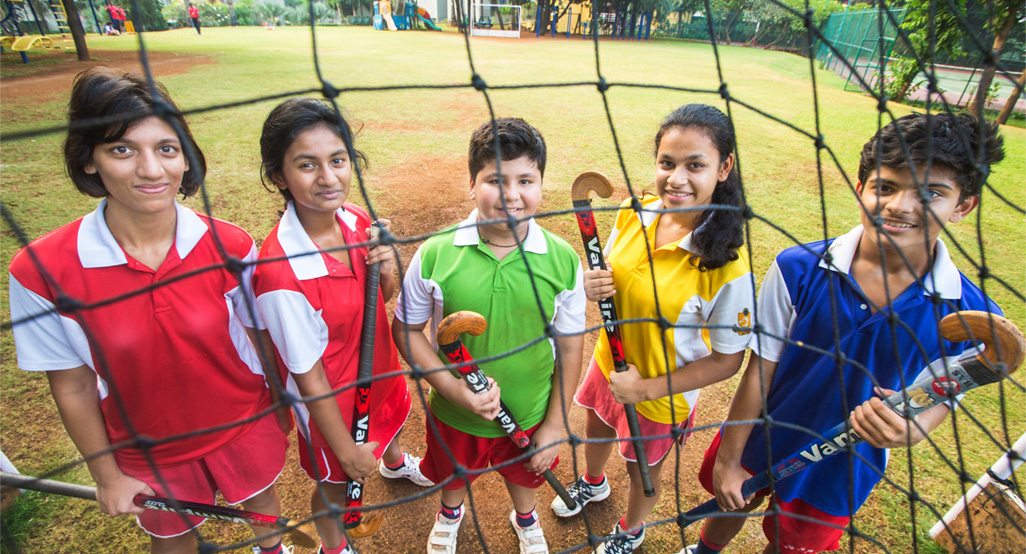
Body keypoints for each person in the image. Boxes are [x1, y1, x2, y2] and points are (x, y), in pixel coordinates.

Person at [685, 112, 1006, 554]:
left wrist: (911, 431)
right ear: (862, 188)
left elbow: (946, 394)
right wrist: (728, 459)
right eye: (886, 186)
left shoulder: (973, 315)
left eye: (930, 193)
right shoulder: (797, 267)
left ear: (963, 206)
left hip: (843, 468)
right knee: (728, 506)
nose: (900, 206)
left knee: (791, 545)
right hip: (761, 435)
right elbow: (760, 370)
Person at [8, 68, 292, 554]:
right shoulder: (40, 271)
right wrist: (106, 474)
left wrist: (281, 406)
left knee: (267, 518)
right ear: (89, 161)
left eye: (166, 148)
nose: (152, 170)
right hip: (146, 454)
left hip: (244, 424)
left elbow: (260, 340)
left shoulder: (231, 244)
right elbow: (72, 383)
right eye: (123, 150)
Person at [550, 104, 754, 554]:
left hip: (662, 394)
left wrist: (646, 389)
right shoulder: (632, 210)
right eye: (667, 163)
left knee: (645, 470)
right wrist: (593, 282)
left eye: (694, 165)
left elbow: (728, 362)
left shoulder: (728, 267)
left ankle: (632, 529)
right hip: (610, 359)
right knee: (598, 424)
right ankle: (592, 483)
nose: (676, 179)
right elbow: (611, 273)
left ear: (724, 168)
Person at [392, 117, 586, 554]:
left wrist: (556, 423)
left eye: (525, 180)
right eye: (495, 180)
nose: (512, 195)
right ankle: (450, 512)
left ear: (541, 184)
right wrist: (453, 389)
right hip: (455, 413)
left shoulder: (562, 260)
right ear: (472, 184)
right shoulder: (436, 253)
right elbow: (405, 330)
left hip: (533, 412)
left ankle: (525, 516)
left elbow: (572, 345)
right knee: (454, 474)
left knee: (524, 477)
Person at [252, 98, 431, 554]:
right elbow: (307, 376)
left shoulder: (356, 219)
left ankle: (392, 464)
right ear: (279, 177)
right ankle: (334, 547)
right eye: (307, 165)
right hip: (333, 406)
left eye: (337, 160)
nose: (328, 178)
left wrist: (388, 266)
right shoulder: (281, 273)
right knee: (336, 487)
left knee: (387, 432)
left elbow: (382, 298)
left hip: (379, 375)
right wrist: (344, 449)